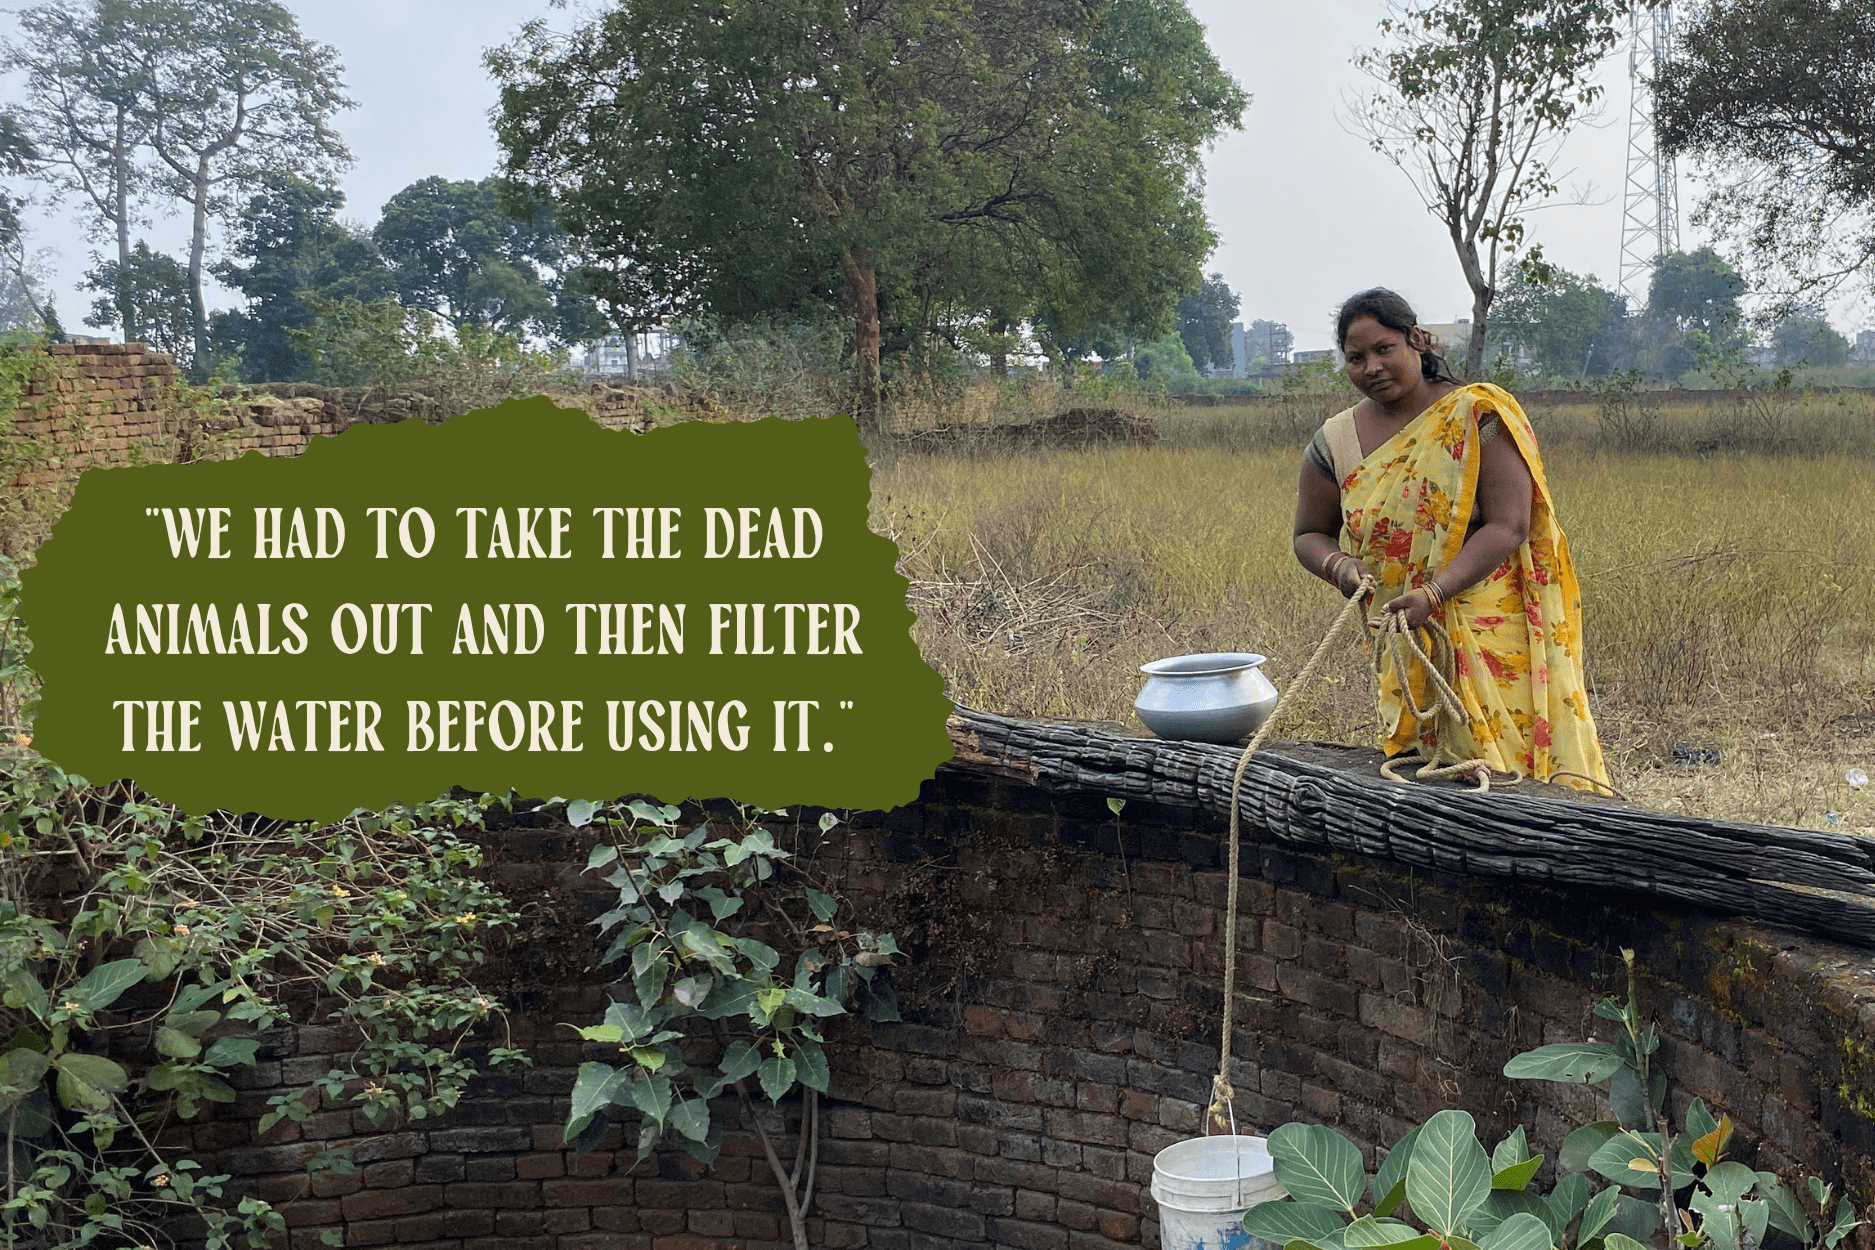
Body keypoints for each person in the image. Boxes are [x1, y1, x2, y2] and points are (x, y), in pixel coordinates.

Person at [1291, 288, 1609, 791]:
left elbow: (1510, 525)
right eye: (1356, 358)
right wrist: (1339, 566)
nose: (1371, 366)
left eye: (1384, 349)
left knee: (1510, 773)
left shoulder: (1475, 415)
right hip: (1402, 630)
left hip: (1489, 627)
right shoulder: (1335, 441)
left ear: (1417, 340)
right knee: (1430, 774)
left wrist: (1435, 593)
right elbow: (1309, 533)